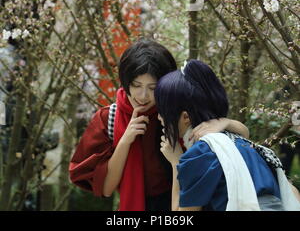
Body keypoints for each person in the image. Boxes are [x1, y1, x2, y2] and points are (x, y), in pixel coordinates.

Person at [69, 40, 249, 211]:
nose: (143, 95)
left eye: (153, 88)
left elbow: (237, 140)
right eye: (136, 85)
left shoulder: (174, 113)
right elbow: (107, 189)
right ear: (125, 82)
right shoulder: (108, 117)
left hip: (185, 201)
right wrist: (125, 141)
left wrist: (225, 122)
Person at [154, 59, 300, 211]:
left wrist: (175, 162)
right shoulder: (241, 143)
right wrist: (227, 122)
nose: (159, 117)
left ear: (186, 117)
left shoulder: (200, 153)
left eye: (162, 112)